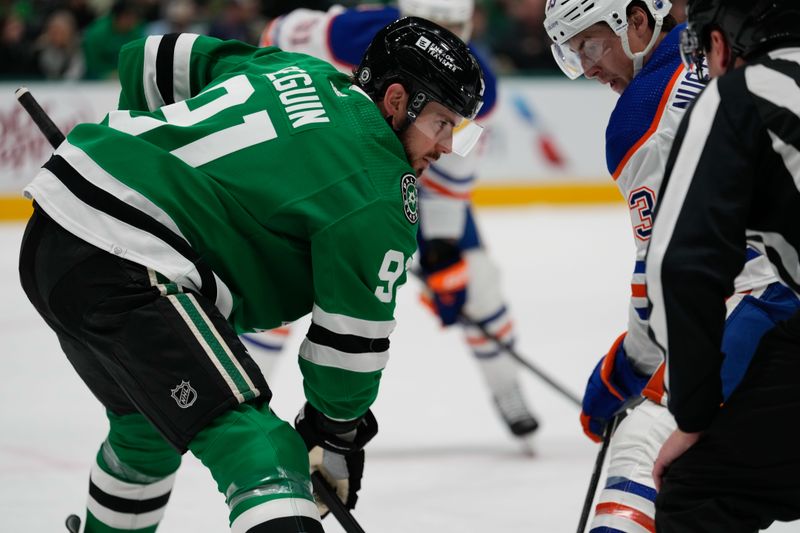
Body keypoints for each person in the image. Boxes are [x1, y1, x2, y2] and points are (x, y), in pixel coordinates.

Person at [18, 18, 484, 532]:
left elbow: (153, 57)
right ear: (396, 101)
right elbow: (347, 351)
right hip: (128, 263)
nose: (445, 147)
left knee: (145, 429)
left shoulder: (300, 70)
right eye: (442, 123)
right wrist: (331, 436)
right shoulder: (379, 190)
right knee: (264, 453)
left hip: (51, 237)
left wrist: (129, 159)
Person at [543, 0, 799, 530]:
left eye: (590, 44)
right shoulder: (737, 56)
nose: (588, 67)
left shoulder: (643, 114)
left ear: (637, 20)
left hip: (772, 301)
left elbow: (674, 266)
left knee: (648, 440)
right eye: (572, 54)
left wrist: (628, 370)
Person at [255, 0, 542, 443]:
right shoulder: (356, 34)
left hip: (411, 172)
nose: (441, 42)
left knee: (476, 283)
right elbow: (277, 37)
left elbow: (450, 174)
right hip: (334, 168)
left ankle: (507, 388)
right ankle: (248, 389)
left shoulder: (474, 82)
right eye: (432, 26)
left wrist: (442, 245)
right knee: (281, 271)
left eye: (453, 28)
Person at [646, 0, 800, 530]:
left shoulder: (740, 94)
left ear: (720, 44)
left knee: (701, 490)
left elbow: (682, 267)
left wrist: (693, 415)